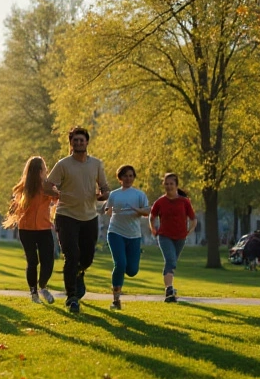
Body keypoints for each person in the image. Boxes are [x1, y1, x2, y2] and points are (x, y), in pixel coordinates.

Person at [45, 126, 110, 313]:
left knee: (87, 257)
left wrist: (103, 195)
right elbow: (47, 186)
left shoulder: (96, 164)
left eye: (82, 140)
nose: (79, 143)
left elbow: (105, 188)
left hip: (89, 216)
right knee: (71, 255)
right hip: (66, 216)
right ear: (71, 143)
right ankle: (72, 296)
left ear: (87, 142)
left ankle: (80, 272)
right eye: (75, 140)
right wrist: (55, 192)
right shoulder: (63, 164)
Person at [3, 156, 60, 304]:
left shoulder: (47, 186)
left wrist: (56, 193)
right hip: (26, 229)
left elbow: (58, 198)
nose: (45, 170)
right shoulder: (23, 187)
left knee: (48, 261)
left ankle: (42, 286)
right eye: (43, 168)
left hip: (44, 228)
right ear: (39, 170)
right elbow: (15, 205)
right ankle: (34, 292)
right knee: (32, 261)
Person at [103, 164, 150, 310]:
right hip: (115, 232)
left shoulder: (139, 195)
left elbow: (147, 211)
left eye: (131, 176)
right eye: (125, 176)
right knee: (120, 264)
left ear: (134, 178)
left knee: (132, 270)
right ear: (120, 178)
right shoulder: (114, 194)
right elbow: (107, 210)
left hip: (134, 235)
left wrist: (138, 210)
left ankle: (135, 255)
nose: (128, 178)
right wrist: (111, 212)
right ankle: (116, 300)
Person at [150, 172, 196, 303]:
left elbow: (193, 219)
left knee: (172, 262)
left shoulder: (184, 201)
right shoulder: (160, 202)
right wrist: (153, 228)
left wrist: (189, 231)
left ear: (176, 185)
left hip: (180, 237)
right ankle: (169, 290)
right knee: (170, 261)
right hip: (164, 236)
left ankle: (170, 290)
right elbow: (152, 216)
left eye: (171, 184)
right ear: (163, 185)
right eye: (167, 184)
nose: (169, 186)